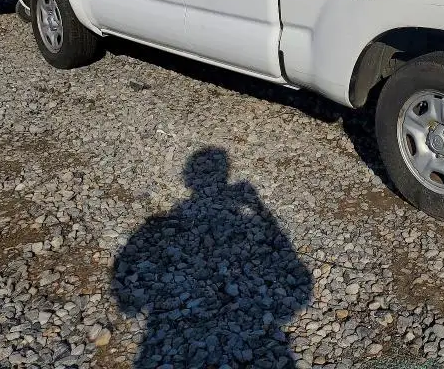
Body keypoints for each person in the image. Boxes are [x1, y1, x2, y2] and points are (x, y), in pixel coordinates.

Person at [112, 148, 312, 367]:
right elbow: (300, 293)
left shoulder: (175, 216)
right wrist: (258, 208)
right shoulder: (233, 218)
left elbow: (127, 303)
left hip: (159, 340)